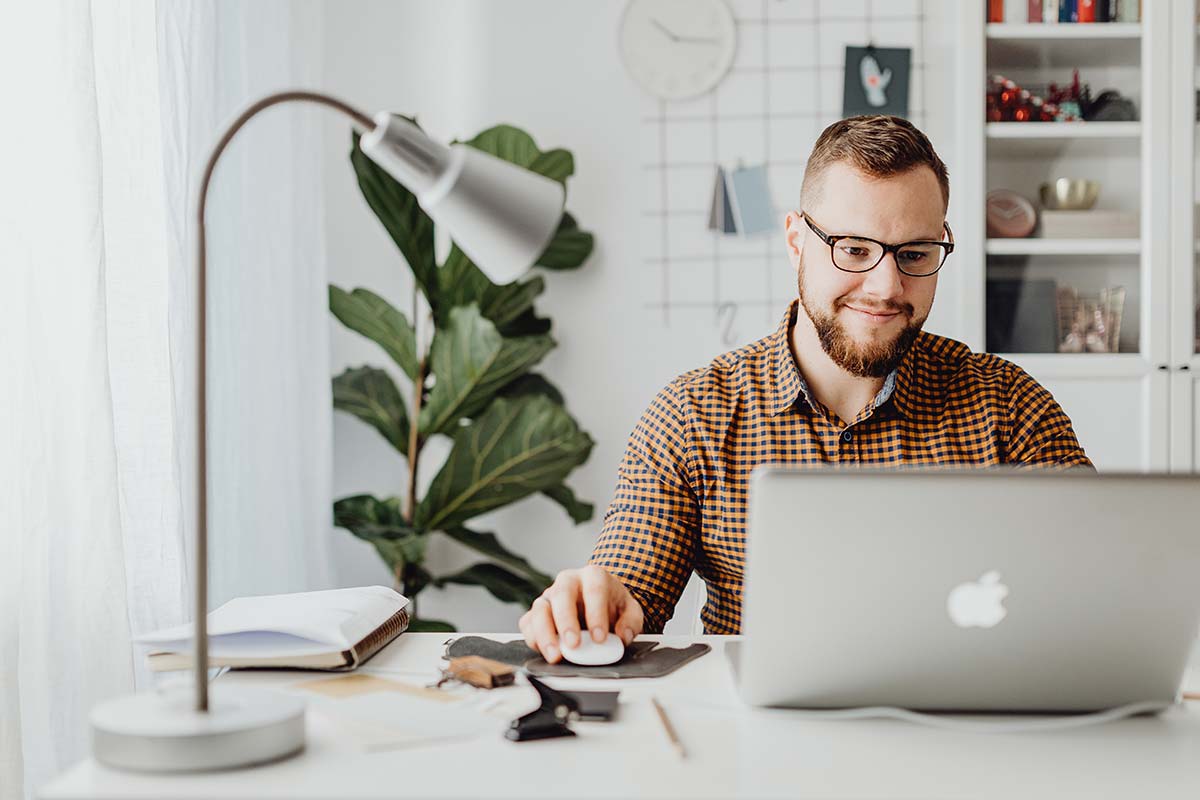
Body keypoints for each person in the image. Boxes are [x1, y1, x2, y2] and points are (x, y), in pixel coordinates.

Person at [519, 115, 1092, 664]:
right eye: (854, 249)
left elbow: (1100, 578)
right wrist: (598, 603)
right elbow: (631, 584)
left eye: (915, 254)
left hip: (962, 731)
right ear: (797, 240)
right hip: (758, 744)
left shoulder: (1010, 405)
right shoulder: (693, 413)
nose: (887, 286)